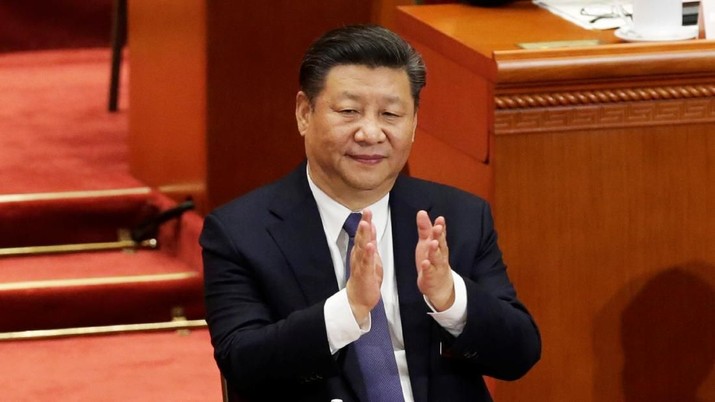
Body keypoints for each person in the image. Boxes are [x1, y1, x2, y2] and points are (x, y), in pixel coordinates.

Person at [200, 24, 540, 402]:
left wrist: (451, 298)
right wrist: (348, 310)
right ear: (303, 113)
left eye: (391, 114)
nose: (370, 133)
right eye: (349, 111)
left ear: (413, 123)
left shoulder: (457, 216)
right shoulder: (241, 231)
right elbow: (243, 363)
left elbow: (519, 355)